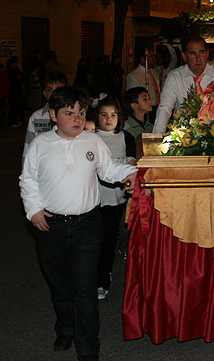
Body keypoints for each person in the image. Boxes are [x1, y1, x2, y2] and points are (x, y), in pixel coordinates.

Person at [19, 86, 137, 361]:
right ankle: (65, 329)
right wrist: (34, 210)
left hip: (87, 226)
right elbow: (28, 180)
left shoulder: (92, 141)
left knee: (84, 288)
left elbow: (109, 170)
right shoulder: (41, 145)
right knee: (60, 286)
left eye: (81, 113)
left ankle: (88, 346)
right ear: (53, 115)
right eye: (69, 113)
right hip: (51, 227)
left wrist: (133, 172)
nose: (76, 119)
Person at [94, 96, 136, 300]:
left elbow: (131, 161)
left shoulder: (125, 136)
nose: (109, 119)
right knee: (94, 241)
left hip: (116, 200)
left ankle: (104, 278)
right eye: (104, 114)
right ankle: (94, 275)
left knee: (109, 240)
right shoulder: (90, 137)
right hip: (93, 200)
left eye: (113, 114)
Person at [153, 36, 214, 133]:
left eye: (202, 52)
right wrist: (156, 137)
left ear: (207, 54)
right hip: (184, 137)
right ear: (184, 56)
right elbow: (165, 108)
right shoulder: (175, 77)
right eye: (193, 53)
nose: (198, 58)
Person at [22, 73, 67, 160]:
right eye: (50, 90)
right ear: (44, 93)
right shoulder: (36, 117)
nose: (53, 94)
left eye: (58, 90)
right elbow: (28, 148)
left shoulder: (72, 116)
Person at [125, 49, 161, 121]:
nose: (154, 59)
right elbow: (131, 98)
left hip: (156, 108)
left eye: (154, 56)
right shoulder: (134, 76)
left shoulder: (153, 73)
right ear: (142, 59)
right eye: (150, 57)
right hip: (143, 112)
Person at [123, 86, 153, 158]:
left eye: (149, 98)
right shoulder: (127, 128)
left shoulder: (150, 126)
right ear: (134, 105)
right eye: (145, 99)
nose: (150, 102)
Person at [6, 56, 25, 127]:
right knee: (12, 106)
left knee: (18, 105)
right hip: (12, 91)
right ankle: (11, 121)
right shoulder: (10, 71)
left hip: (18, 90)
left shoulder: (16, 70)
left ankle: (17, 119)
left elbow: (21, 77)